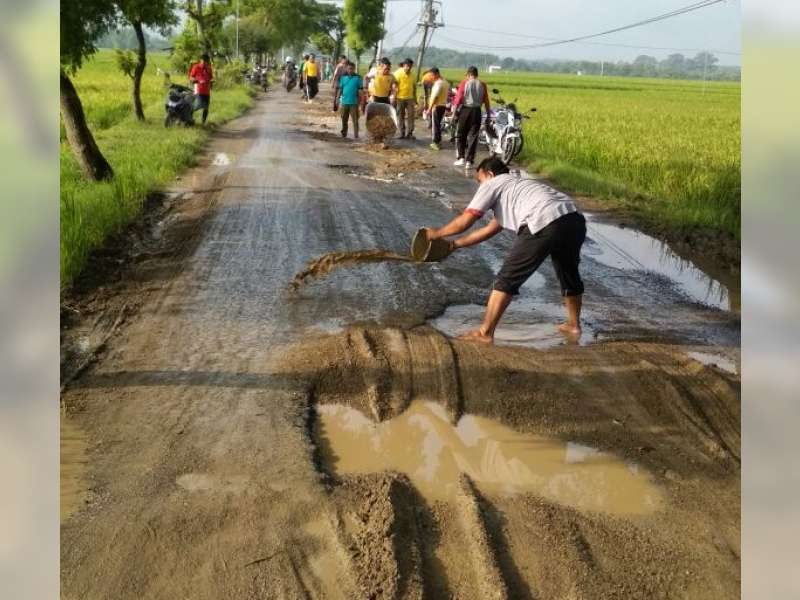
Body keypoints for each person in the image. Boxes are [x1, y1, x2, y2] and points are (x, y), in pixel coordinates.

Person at [424, 157, 587, 344]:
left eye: (480, 180)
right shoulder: (517, 188)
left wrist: (436, 234)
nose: (480, 186)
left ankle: (485, 333)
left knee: (507, 278)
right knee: (568, 273)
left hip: (542, 219)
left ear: (490, 174)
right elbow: (489, 230)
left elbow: (466, 220)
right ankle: (574, 325)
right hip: (573, 219)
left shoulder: (494, 183)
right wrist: (454, 245)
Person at [452, 66, 490, 169]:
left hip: (465, 110)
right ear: (476, 74)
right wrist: (488, 114)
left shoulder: (465, 83)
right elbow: (486, 100)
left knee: (461, 134)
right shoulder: (482, 84)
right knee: (473, 136)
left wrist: (453, 114)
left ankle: (461, 158)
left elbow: (458, 98)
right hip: (477, 111)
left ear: (469, 74)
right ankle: (469, 161)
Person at [338, 61, 363, 139]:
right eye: (349, 69)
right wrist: (337, 99)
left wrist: (361, 101)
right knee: (344, 119)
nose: (350, 70)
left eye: (352, 69)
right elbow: (340, 89)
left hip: (354, 102)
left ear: (354, 69)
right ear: (346, 69)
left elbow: (360, 90)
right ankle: (344, 133)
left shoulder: (358, 78)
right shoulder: (343, 78)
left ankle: (356, 135)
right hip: (344, 102)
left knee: (355, 120)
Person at [427, 68, 449, 151]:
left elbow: (435, 97)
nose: (431, 77)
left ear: (436, 74)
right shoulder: (445, 82)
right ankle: (438, 141)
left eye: (431, 75)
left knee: (435, 125)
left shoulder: (438, 83)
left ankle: (435, 142)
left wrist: (430, 108)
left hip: (437, 106)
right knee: (438, 124)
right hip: (443, 105)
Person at [393, 58, 417, 139]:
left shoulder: (413, 75)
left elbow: (414, 87)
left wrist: (415, 99)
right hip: (400, 98)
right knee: (400, 116)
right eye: (407, 66)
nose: (408, 68)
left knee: (411, 116)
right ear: (403, 65)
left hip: (410, 98)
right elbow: (394, 86)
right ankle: (402, 133)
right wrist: (394, 98)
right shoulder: (398, 73)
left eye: (410, 66)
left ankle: (410, 133)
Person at [188, 53, 214, 125]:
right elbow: (191, 77)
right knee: (197, 106)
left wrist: (211, 82)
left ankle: (203, 123)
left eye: (207, 61)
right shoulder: (196, 67)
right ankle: (189, 118)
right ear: (201, 60)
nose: (205, 63)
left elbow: (211, 77)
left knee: (206, 108)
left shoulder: (209, 68)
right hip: (198, 89)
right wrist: (197, 80)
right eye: (204, 61)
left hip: (206, 91)